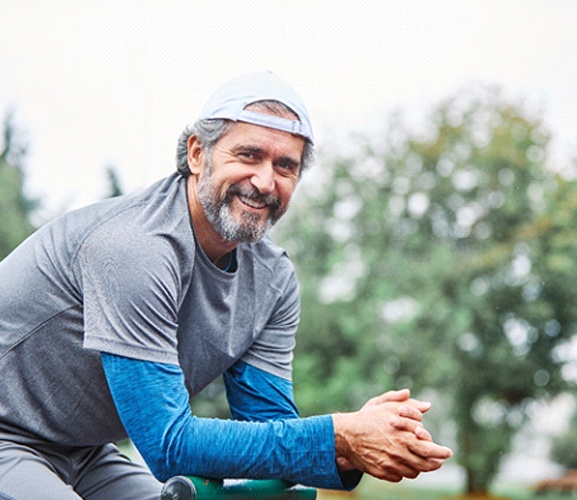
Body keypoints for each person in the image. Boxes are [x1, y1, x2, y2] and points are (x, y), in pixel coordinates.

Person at [0, 71, 452, 499]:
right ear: (197, 153)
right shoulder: (135, 248)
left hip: (81, 449)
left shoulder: (272, 282)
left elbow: (270, 425)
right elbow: (168, 443)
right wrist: (339, 432)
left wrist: (352, 448)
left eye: (285, 166)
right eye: (249, 155)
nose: (265, 181)